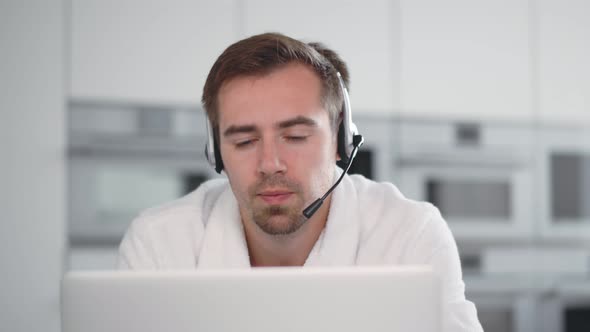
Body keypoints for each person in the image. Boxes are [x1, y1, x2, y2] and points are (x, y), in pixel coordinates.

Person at [118, 32, 483, 331]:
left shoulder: (410, 234)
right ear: (216, 153)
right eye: (244, 142)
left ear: (341, 140)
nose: (269, 164)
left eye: (294, 136)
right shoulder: (160, 244)